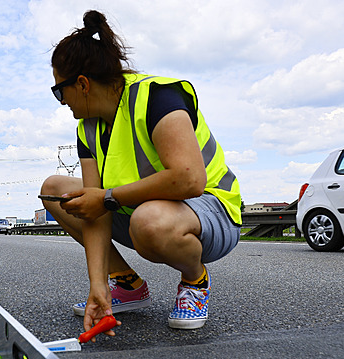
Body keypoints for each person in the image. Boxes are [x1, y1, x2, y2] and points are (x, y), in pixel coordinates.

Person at [41, 11, 241, 334]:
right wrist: (98, 285)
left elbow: (190, 178)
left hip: (212, 209)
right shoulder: (86, 129)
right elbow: (93, 210)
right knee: (56, 189)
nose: (61, 102)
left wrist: (108, 197)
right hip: (145, 209)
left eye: (59, 91)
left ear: (82, 84)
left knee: (147, 222)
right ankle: (126, 285)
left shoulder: (157, 97)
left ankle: (195, 279)